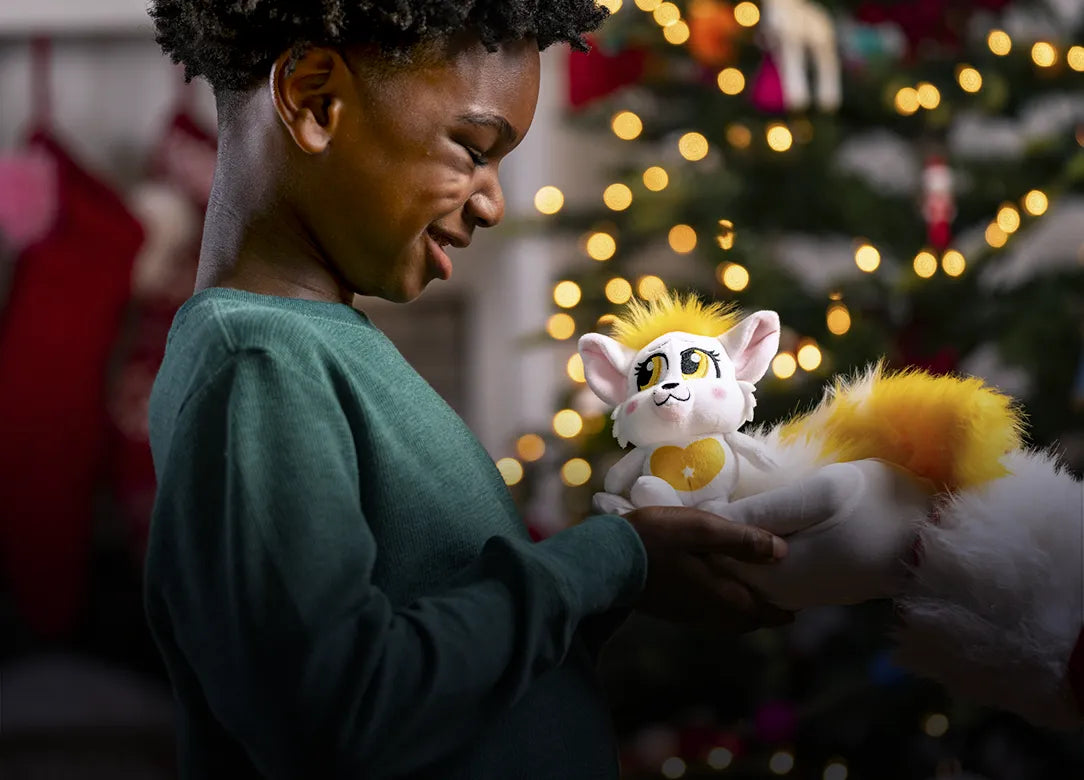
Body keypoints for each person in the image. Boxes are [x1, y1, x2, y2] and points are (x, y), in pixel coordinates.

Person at [142, 3, 802, 778]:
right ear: (316, 100)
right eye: (472, 148)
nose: (492, 202)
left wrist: (623, 585)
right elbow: (333, 708)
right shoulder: (257, 361)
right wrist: (609, 560)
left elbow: (445, 664)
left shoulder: (314, 347)